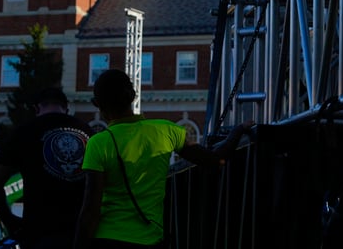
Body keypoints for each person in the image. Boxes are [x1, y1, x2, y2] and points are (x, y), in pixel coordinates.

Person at [74, 69, 252, 249]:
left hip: (107, 240)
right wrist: (237, 132)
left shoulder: (98, 143)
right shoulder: (167, 131)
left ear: (100, 106)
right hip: (151, 239)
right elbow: (215, 160)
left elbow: (90, 209)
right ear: (133, 96)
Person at [0, 87, 92, 249]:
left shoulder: (24, 132)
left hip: (39, 233)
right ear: (67, 109)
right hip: (83, 232)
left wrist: (11, 222)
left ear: (36, 108)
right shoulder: (88, 132)